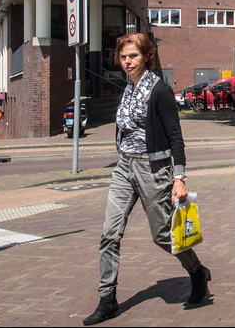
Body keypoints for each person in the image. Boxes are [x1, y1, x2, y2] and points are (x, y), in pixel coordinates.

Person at [83, 33, 210, 325]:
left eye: (134, 56)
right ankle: (107, 299)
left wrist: (179, 177)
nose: (128, 62)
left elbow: (176, 138)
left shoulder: (159, 91)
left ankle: (197, 272)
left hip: (153, 169)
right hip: (124, 167)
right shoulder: (127, 88)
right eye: (124, 57)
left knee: (164, 236)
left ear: (146, 57)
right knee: (109, 233)